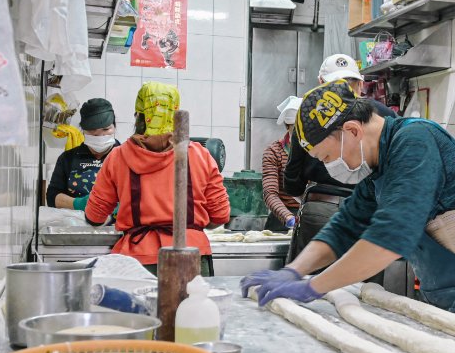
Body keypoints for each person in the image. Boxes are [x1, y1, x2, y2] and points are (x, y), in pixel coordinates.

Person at [241, 80, 455, 331]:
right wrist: (293, 270)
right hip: (447, 290)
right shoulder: (379, 165)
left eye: (327, 157)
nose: (329, 168)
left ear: (352, 130)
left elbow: (389, 239)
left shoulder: (416, 142)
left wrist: (312, 287)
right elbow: (345, 227)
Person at [85, 81, 230, 276]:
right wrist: (192, 226)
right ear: (175, 112)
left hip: (138, 261)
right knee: (191, 307)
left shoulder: (117, 157)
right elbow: (220, 215)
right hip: (191, 257)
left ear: (139, 114)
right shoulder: (200, 155)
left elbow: (95, 216)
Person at [283, 55, 398, 261]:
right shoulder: (385, 115)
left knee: (308, 287)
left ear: (320, 84)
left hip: (319, 211)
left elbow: (292, 181)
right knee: (361, 290)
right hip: (370, 217)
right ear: (361, 84)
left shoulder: (310, 119)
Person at [46, 98, 120, 210]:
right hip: (78, 225)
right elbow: (52, 197)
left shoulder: (127, 157)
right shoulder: (68, 158)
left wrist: (124, 206)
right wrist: (78, 203)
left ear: (114, 127)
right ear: (83, 130)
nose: (100, 135)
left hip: (118, 226)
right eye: (92, 131)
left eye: (106, 129)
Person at [262, 96, 302, 232]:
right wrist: (289, 218)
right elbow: (270, 193)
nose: (300, 134)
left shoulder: (318, 150)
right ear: (287, 126)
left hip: (311, 214)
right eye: (295, 129)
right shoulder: (274, 151)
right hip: (281, 219)